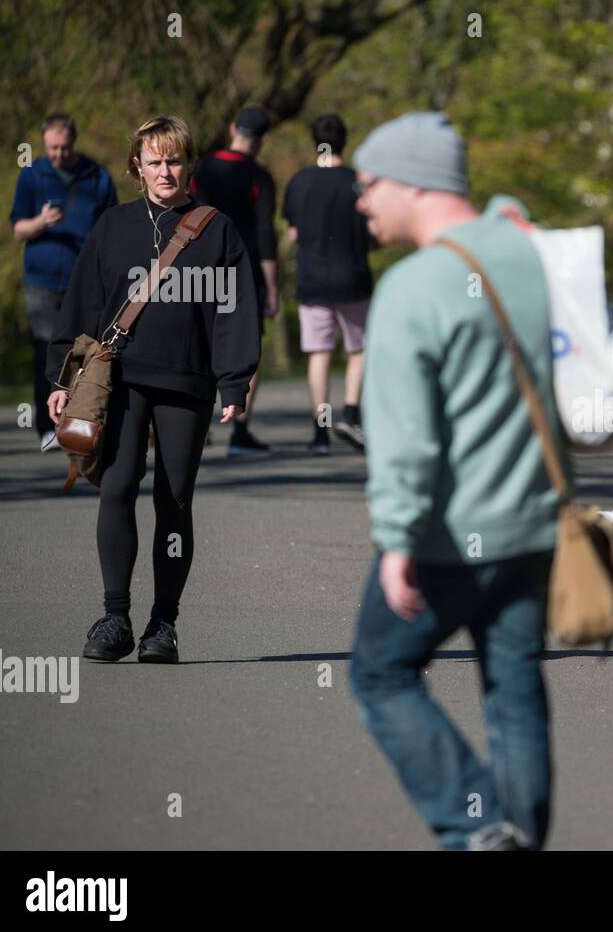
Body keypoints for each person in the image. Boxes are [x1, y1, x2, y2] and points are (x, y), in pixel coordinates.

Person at [348, 112, 565, 851]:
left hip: (449, 534)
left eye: (368, 183)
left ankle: (474, 824)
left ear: (414, 182)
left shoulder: (415, 286)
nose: (360, 200)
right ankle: (518, 838)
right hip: (535, 526)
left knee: (380, 670)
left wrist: (396, 538)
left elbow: (405, 438)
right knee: (514, 689)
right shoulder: (532, 253)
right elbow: (510, 215)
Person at [45, 115, 261, 664]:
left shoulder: (217, 228)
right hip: (121, 381)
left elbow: (234, 309)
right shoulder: (113, 227)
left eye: (174, 160)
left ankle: (163, 625)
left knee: (174, 500)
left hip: (187, 383)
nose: (166, 170)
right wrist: (62, 378)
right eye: (155, 161)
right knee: (116, 489)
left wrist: (234, 378)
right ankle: (115, 617)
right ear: (137, 167)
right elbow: (83, 303)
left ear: (188, 165)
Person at [10, 113, 117, 450]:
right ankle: (47, 427)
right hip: (41, 279)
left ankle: (84, 420)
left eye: (64, 147)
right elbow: (17, 230)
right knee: (46, 352)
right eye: (52, 148)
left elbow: (111, 230)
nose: (58, 153)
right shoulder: (31, 175)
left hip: (83, 281)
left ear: (74, 141)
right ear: (44, 143)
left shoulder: (96, 176)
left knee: (85, 353)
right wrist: (40, 221)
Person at [282, 114, 374, 454]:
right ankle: (351, 414)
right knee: (358, 349)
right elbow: (373, 231)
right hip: (353, 277)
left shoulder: (300, 182)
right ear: (345, 140)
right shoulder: (357, 182)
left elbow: (292, 233)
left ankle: (320, 432)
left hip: (313, 279)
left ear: (314, 141)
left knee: (319, 354)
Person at [190, 106, 278, 457]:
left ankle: (196, 423)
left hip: (202, 265)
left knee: (201, 342)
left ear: (231, 128)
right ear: (263, 139)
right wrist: (272, 288)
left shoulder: (203, 168)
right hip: (246, 270)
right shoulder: (259, 176)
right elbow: (265, 234)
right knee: (246, 345)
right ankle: (239, 430)